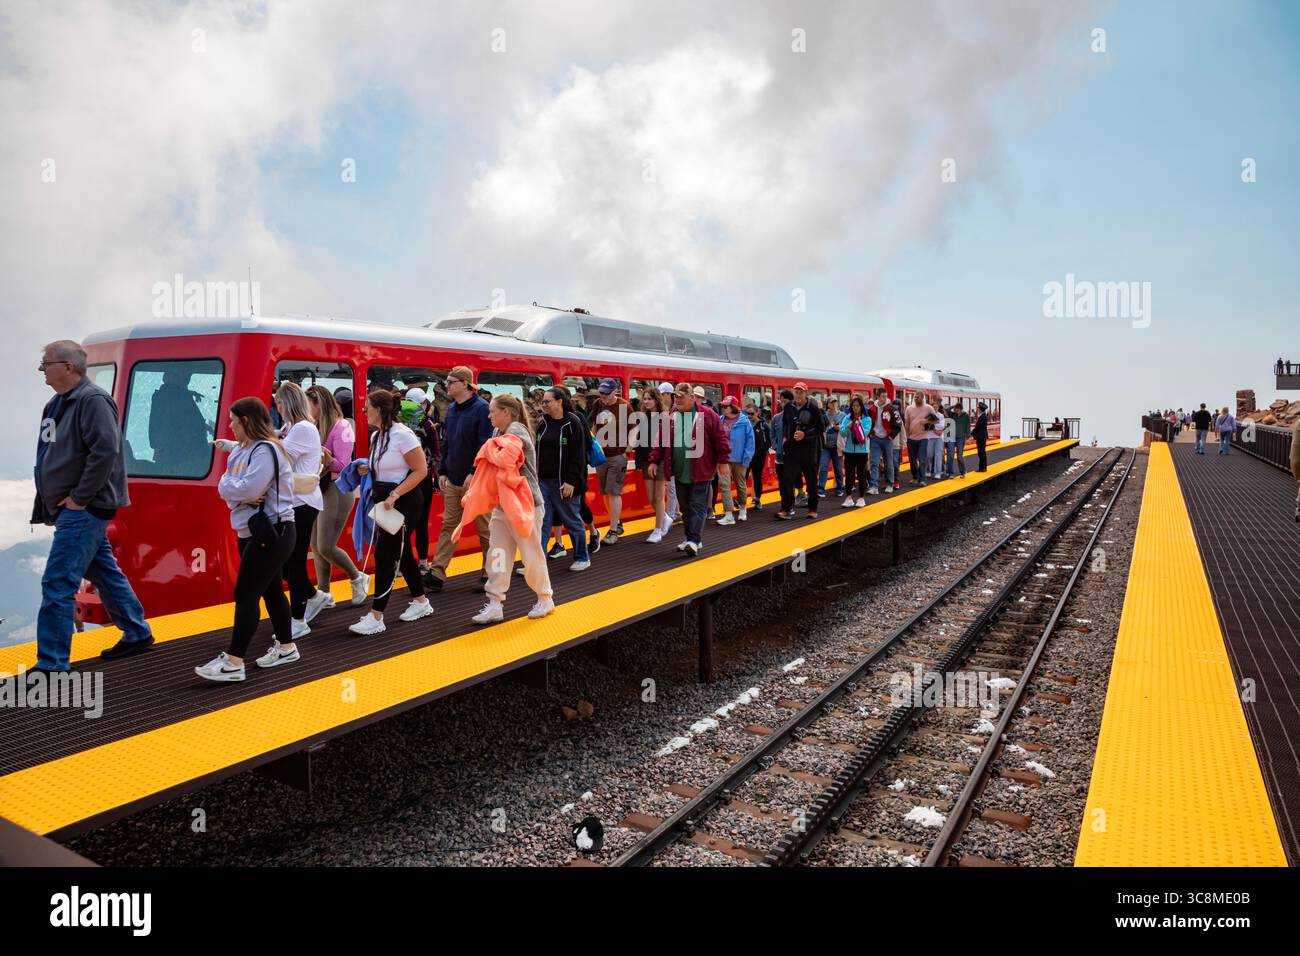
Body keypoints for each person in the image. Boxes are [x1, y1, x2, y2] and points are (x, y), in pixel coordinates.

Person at [31, 340, 153, 672]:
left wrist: (79, 499)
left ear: (68, 366)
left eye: (46, 363)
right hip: (70, 507)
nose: (42, 369)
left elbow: (105, 453)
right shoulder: (57, 404)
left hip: (84, 508)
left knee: (58, 582)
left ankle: (51, 664)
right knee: (103, 571)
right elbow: (51, 454)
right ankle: (137, 632)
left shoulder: (93, 401)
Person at [196, 397, 298, 681]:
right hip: (255, 530)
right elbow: (230, 488)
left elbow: (250, 489)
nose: (229, 425)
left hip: (272, 531)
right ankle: (287, 647)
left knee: (245, 594)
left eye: (233, 420)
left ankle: (234, 661)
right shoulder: (244, 450)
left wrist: (234, 489)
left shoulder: (265, 451)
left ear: (247, 422)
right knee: (272, 591)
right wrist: (234, 489)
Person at [347, 390, 433, 635]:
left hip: (403, 501)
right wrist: (366, 469)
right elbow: (385, 468)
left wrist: (395, 494)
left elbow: (421, 471)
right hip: (386, 500)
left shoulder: (403, 436)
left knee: (386, 554)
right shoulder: (379, 436)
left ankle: (377, 616)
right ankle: (421, 602)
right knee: (402, 553)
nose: (364, 412)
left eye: (367, 408)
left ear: (380, 410)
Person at [471, 395, 554, 623]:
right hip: (503, 505)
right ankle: (495, 602)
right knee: (497, 553)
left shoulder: (516, 431)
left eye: (492, 411)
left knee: (531, 554)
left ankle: (545, 597)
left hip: (525, 505)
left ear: (506, 412)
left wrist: (486, 450)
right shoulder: (499, 433)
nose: (489, 416)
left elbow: (504, 460)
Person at [302, 385, 369, 622]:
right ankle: (325, 593)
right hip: (319, 489)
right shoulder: (314, 426)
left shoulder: (342, 428)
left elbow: (343, 465)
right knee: (316, 545)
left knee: (326, 546)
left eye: (309, 404)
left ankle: (357, 577)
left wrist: (326, 459)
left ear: (319, 403)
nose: (307, 409)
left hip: (337, 489)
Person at [425, 366, 493, 592]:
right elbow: (448, 444)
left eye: (451, 382)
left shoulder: (483, 409)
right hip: (453, 479)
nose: (447, 386)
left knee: (486, 530)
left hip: (478, 482)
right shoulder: (452, 410)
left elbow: (485, 445)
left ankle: (491, 573)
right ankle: (437, 572)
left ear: (465, 384)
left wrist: (474, 472)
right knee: (449, 526)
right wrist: (442, 471)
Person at [268, 382, 324, 639]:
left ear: (287, 403)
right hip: (296, 501)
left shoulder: (302, 428)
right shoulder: (292, 427)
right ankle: (314, 596)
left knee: (294, 560)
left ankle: (299, 619)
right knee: (289, 563)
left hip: (303, 501)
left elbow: (278, 457)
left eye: (279, 403)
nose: (277, 408)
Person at [648, 383, 730, 556]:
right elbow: (661, 440)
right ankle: (691, 538)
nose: (677, 400)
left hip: (701, 470)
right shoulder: (672, 416)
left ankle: (693, 540)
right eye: (675, 397)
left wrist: (723, 461)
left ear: (692, 398)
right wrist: (654, 460)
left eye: (681, 397)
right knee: (685, 507)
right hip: (679, 471)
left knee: (698, 505)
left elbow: (720, 438)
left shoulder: (708, 415)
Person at [536, 387, 592, 567]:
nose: (544, 405)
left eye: (547, 401)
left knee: (572, 519)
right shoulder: (542, 423)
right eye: (543, 402)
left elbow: (578, 455)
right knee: (542, 521)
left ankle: (582, 557)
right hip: (543, 480)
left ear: (559, 402)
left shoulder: (573, 422)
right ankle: (538, 561)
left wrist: (571, 481)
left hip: (564, 482)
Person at [149, 367, 211, 475]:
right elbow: (183, 428)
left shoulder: (166, 396)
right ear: (171, 376)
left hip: (176, 459)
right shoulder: (176, 397)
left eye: (188, 376)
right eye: (185, 375)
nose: (187, 379)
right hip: (182, 462)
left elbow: (179, 423)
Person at [592, 378, 632, 544]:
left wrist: (627, 451)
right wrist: (591, 443)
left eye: (606, 394)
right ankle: (617, 522)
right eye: (601, 393)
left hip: (617, 454)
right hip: (601, 454)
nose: (603, 397)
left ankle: (613, 530)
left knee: (614, 491)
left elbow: (634, 429)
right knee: (605, 492)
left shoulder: (624, 406)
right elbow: (594, 425)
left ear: (615, 391)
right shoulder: (597, 404)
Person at [777, 382, 823, 519]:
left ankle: (813, 509)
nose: (798, 395)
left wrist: (805, 434)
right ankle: (786, 509)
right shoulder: (789, 408)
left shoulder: (813, 408)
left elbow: (821, 428)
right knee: (787, 479)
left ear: (806, 393)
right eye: (796, 392)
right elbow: (785, 424)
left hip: (808, 449)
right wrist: (785, 438)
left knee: (811, 480)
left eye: (801, 392)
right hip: (791, 448)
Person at [637, 386, 671, 541]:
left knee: (658, 497)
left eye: (649, 399)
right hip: (645, 460)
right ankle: (665, 517)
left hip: (660, 460)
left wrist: (658, 461)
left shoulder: (664, 416)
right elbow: (640, 440)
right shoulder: (643, 416)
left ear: (657, 400)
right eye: (644, 399)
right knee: (651, 497)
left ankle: (657, 530)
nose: (646, 401)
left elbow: (665, 441)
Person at [717, 395, 754, 524]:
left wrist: (746, 459)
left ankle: (743, 508)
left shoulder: (744, 422)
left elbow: (750, 441)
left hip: (740, 459)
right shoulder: (720, 420)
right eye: (722, 406)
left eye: (725, 406)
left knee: (740, 484)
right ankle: (728, 514)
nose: (722, 408)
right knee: (724, 485)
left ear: (732, 407)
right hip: (724, 459)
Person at [836, 395, 871, 507]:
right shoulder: (847, 418)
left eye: (858, 406)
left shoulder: (867, 419)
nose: (856, 408)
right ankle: (849, 497)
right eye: (854, 406)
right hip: (849, 451)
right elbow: (842, 433)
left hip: (862, 452)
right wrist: (848, 427)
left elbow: (864, 434)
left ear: (861, 407)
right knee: (849, 475)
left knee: (861, 475)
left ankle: (861, 498)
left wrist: (859, 425)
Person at [868, 388, 898, 495]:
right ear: (878, 396)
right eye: (883, 396)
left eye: (886, 396)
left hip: (887, 439)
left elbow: (898, 424)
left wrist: (891, 436)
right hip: (875, 438)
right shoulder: (872, 408)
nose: (885, 398)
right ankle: (873, 486)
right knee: (874, 463)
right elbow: (868, 422)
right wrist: (870, 434)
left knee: (888, 462)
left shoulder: (892, 408)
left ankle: (890, 484)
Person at [904, 392, 937, 486]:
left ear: (922, 398)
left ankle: (922, 479)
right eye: (915, 397)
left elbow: (936, 421)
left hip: (923, 437)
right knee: (912, 459)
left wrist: (926, 421)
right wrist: (907, 435)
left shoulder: (928, 408)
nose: (915, 399)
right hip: (911, 438)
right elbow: (907, 423)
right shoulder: (909, 408)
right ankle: (915, 476)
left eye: (918, 397)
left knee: (922, 459)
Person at [818, 398, 846, 498]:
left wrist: (840, 428)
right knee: (823, 467)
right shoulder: (824, 415)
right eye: (831, 402)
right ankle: (821, 489)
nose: (834, 404)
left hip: (837, 446)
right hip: (825, 446)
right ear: (828, 404)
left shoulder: (842, 415)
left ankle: (840, 489)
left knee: (838, 469)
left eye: (835, 402)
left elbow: (847, 428)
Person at [746, 402, 770, 511]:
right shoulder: (745, 424)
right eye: (748, 414)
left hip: (759, 456)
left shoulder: (763, 426)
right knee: (743, 477)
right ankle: (741, 500)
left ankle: (757, 499)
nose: (749, 416)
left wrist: (763, 451)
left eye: (751, 413)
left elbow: (768, 441)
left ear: (757, 413)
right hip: (746, 456)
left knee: (757, 477)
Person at [949, 400, 970, 478]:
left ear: (960, 409)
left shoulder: (966, 415)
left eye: (957, 409)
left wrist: (967, 436)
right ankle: (950, 473)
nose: (955, 410)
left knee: (959, 456)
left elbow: (968, 426)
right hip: (952, 437)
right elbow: (947, 410)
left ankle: (963, 471)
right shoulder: (953, 415)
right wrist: (953, 406)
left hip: (961, 438)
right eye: (955, 409)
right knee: (950, 455)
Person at [928, 398, 946, 481]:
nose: (935, 408)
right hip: (929, 437)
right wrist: (935, 425)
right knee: (929, 455)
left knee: (938, 455)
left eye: (936, 407)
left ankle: (938, 472)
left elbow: (941, 426)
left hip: (939, 438)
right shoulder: (927, 415)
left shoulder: (941, 415)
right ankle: (928, 470)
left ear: (938, 408)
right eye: (933, 407)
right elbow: (926, 426)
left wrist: (932, 426)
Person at [972, 401, 990, 472]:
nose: (977, 409)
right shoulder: (983, 416)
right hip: (982, 436)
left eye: (978, 408)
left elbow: (978, 427)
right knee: (982, 452)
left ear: (980, 409)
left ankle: (982, 468)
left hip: (981, 437)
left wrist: (972, 433)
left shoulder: (982, 417)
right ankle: (984, 467)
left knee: (981, 452)